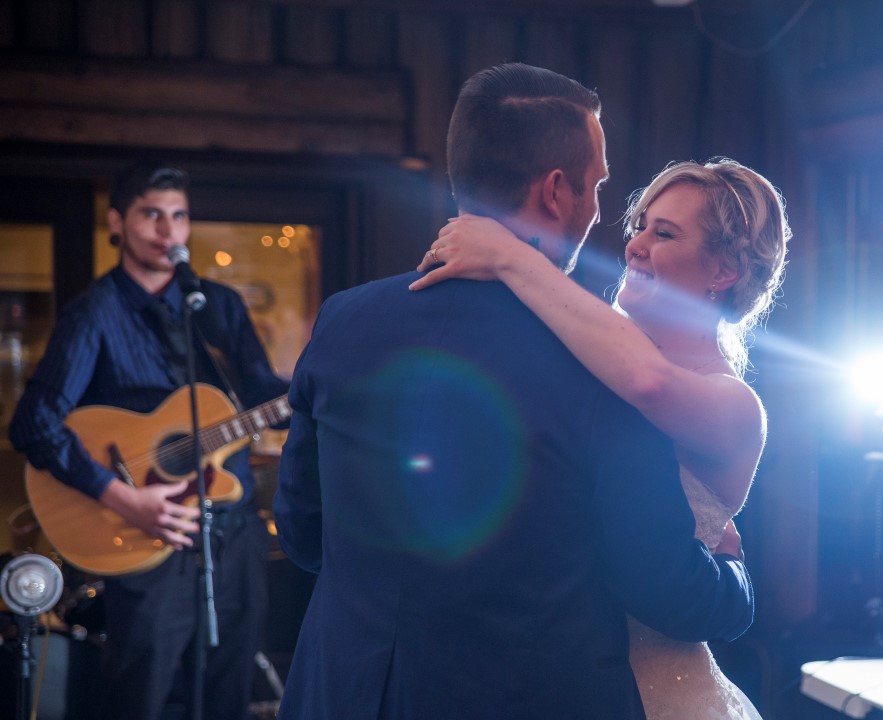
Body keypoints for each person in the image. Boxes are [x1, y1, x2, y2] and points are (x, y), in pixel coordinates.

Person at [273, 63, 754, 720]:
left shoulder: (344, 319)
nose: (604, 217)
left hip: (344, 691)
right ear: (556, 191)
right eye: (597, 187)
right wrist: (735, 581)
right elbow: (656, 582)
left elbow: (303, 532)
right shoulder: (604, 363)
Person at [411, 157, 790, 719]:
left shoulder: (734, 406)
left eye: (664, 233)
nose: (635, 244)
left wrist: (510, 254)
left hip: (653, 688)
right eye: (639, 224)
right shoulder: (576, 358)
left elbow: (649, 382)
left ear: (724, 271)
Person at [9, 161, 290, 720]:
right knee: (141, 695)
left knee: (231, 695)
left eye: (179, 216)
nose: (168, 231)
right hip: (144, 538)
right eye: (151, 215)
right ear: (118, 222)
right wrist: (122, 498)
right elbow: (33, 423)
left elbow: (263, 398)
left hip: (232, 533)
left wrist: (320, 390)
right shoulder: (94, 315)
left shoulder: (218, 306)